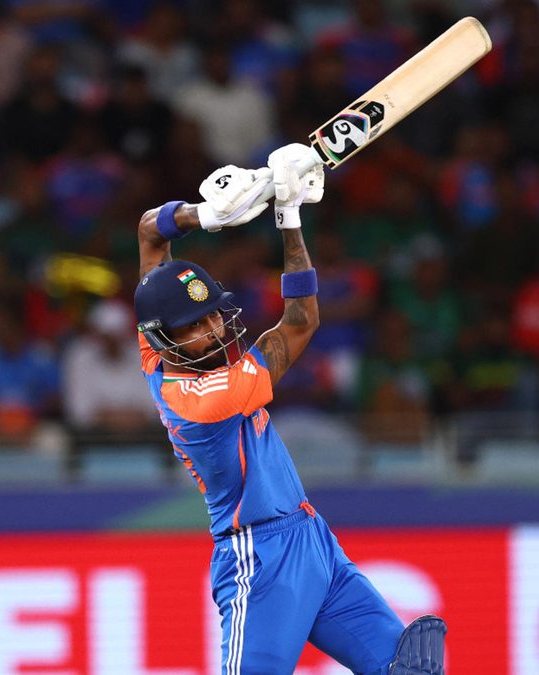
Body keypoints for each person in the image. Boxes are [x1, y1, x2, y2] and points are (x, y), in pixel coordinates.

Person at [132, 144, 445, 674]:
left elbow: (148, 230)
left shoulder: (154, 342)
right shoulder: (200, 400)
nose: (212, 330)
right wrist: (285, 214)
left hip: (312, 538)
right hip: (258, 558)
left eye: (212, 316)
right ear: (165, 337)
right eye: (195, 325)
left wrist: (206, 216)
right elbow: (300, 323)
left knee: (409, 669)